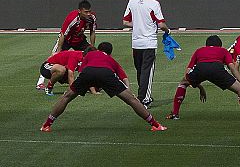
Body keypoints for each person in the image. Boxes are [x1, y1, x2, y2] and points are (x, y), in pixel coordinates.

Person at [40, 42, 168, 132]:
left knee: (66, 97)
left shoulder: (89, 55)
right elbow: (124, 77)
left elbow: (83, 72)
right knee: (131, 100)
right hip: (106, 74)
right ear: (109, 53)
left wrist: (83, 87)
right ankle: (155, 124)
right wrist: (129, 92)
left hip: (88, 73)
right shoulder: (111, 59)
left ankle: (46, 125)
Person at [167, 35, 240, 120]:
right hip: (217, 70)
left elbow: (188, 71)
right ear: (219, 45)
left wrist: (199, 86)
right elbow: (232, 68)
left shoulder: (199, 50)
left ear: (206, 45)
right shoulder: (223, 50)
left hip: (201, 68)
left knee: (183, 83)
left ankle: (175, 114)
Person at [123, 0, 170, 107]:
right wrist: (167, 30)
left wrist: (138, 24)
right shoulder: (154, 4)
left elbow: (125, 22)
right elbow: (161, 24)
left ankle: (141, 94)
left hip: (136, 42)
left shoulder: (132, 2)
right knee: (147, 71)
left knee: (140, 70)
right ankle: (144, 98)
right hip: (149, 42)